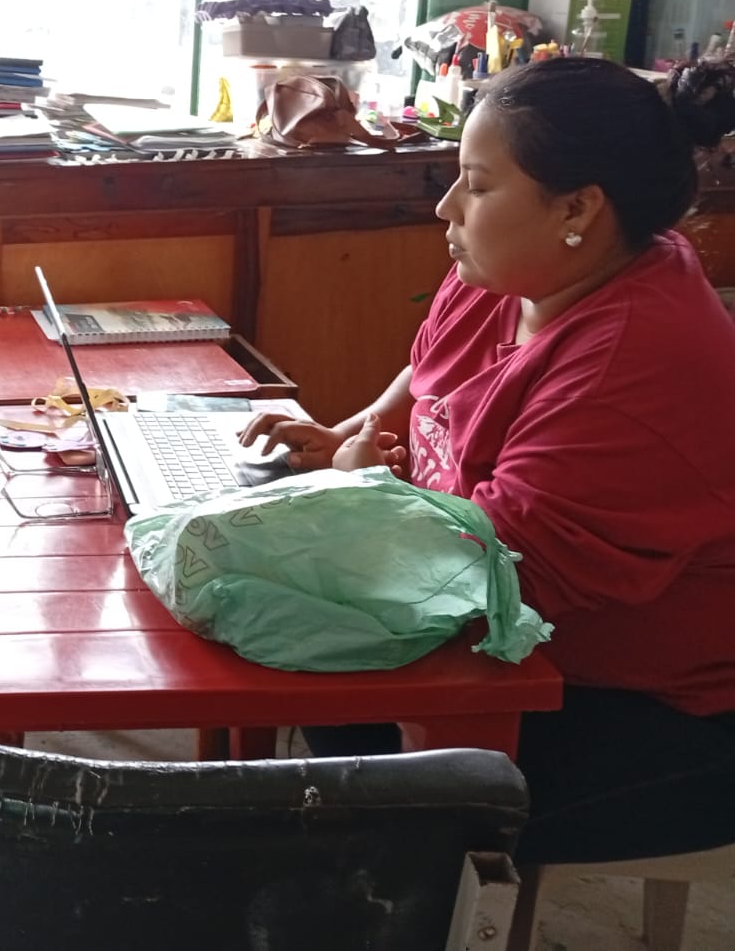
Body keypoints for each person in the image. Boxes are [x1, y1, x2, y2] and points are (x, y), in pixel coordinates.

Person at [241, 56, 735, 865]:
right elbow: (427, 373)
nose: (445, 207)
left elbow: (488, 579)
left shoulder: (633, 362)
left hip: (649, 705)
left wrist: (362, 491)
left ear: (576, 207)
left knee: (350, 804)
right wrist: (346, 433)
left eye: (474, 185)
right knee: (301, 688)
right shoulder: (510, 270)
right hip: (500, 641)